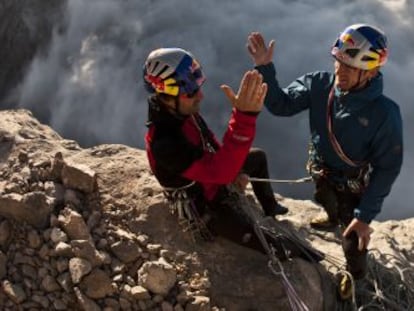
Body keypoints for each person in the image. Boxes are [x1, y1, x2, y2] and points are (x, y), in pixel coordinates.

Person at [247, 24, 403, 297]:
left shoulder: (385, 114)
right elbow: (281, 104)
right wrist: (265, 69)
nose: (340, 72)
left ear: (371, 71)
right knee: (323, 195)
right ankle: (331, 216)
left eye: (350, 67)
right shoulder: (320, 85)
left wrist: (365, 216)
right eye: (338, 63)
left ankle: (356, 276)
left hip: (354, 186)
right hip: (323, 170)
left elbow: (387, 167)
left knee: (352, 240)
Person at [142, 47, 325, 261]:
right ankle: (309, 258)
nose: (200, 95)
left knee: (257, 158)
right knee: (272, 245)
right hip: (205, 206)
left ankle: (270, 208)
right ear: (166, 93)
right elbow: (219, 172)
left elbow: (209, 140)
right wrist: (244, 119)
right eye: (191, 92)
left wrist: (235, 171)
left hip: (213, 181)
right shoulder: (165, 143)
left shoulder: (180, 112)